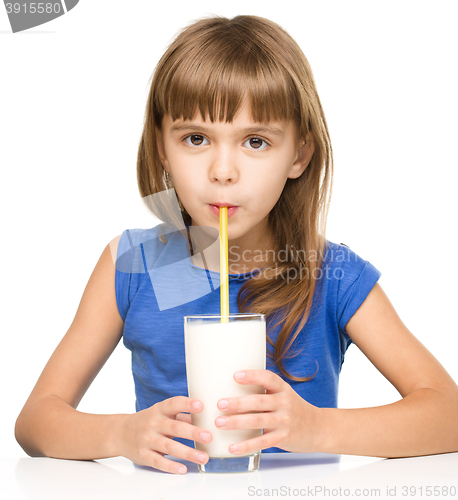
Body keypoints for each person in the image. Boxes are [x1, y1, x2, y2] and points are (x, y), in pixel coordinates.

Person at [15, 15, 458, 475]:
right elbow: (36, 422)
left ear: (300, 155)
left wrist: (317, 429)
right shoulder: (137, 267)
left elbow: (448, 416)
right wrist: (120, 434)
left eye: (255, 141)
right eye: (196, 138)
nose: (222, 171)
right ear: (162, 148)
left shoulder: (331, 273)